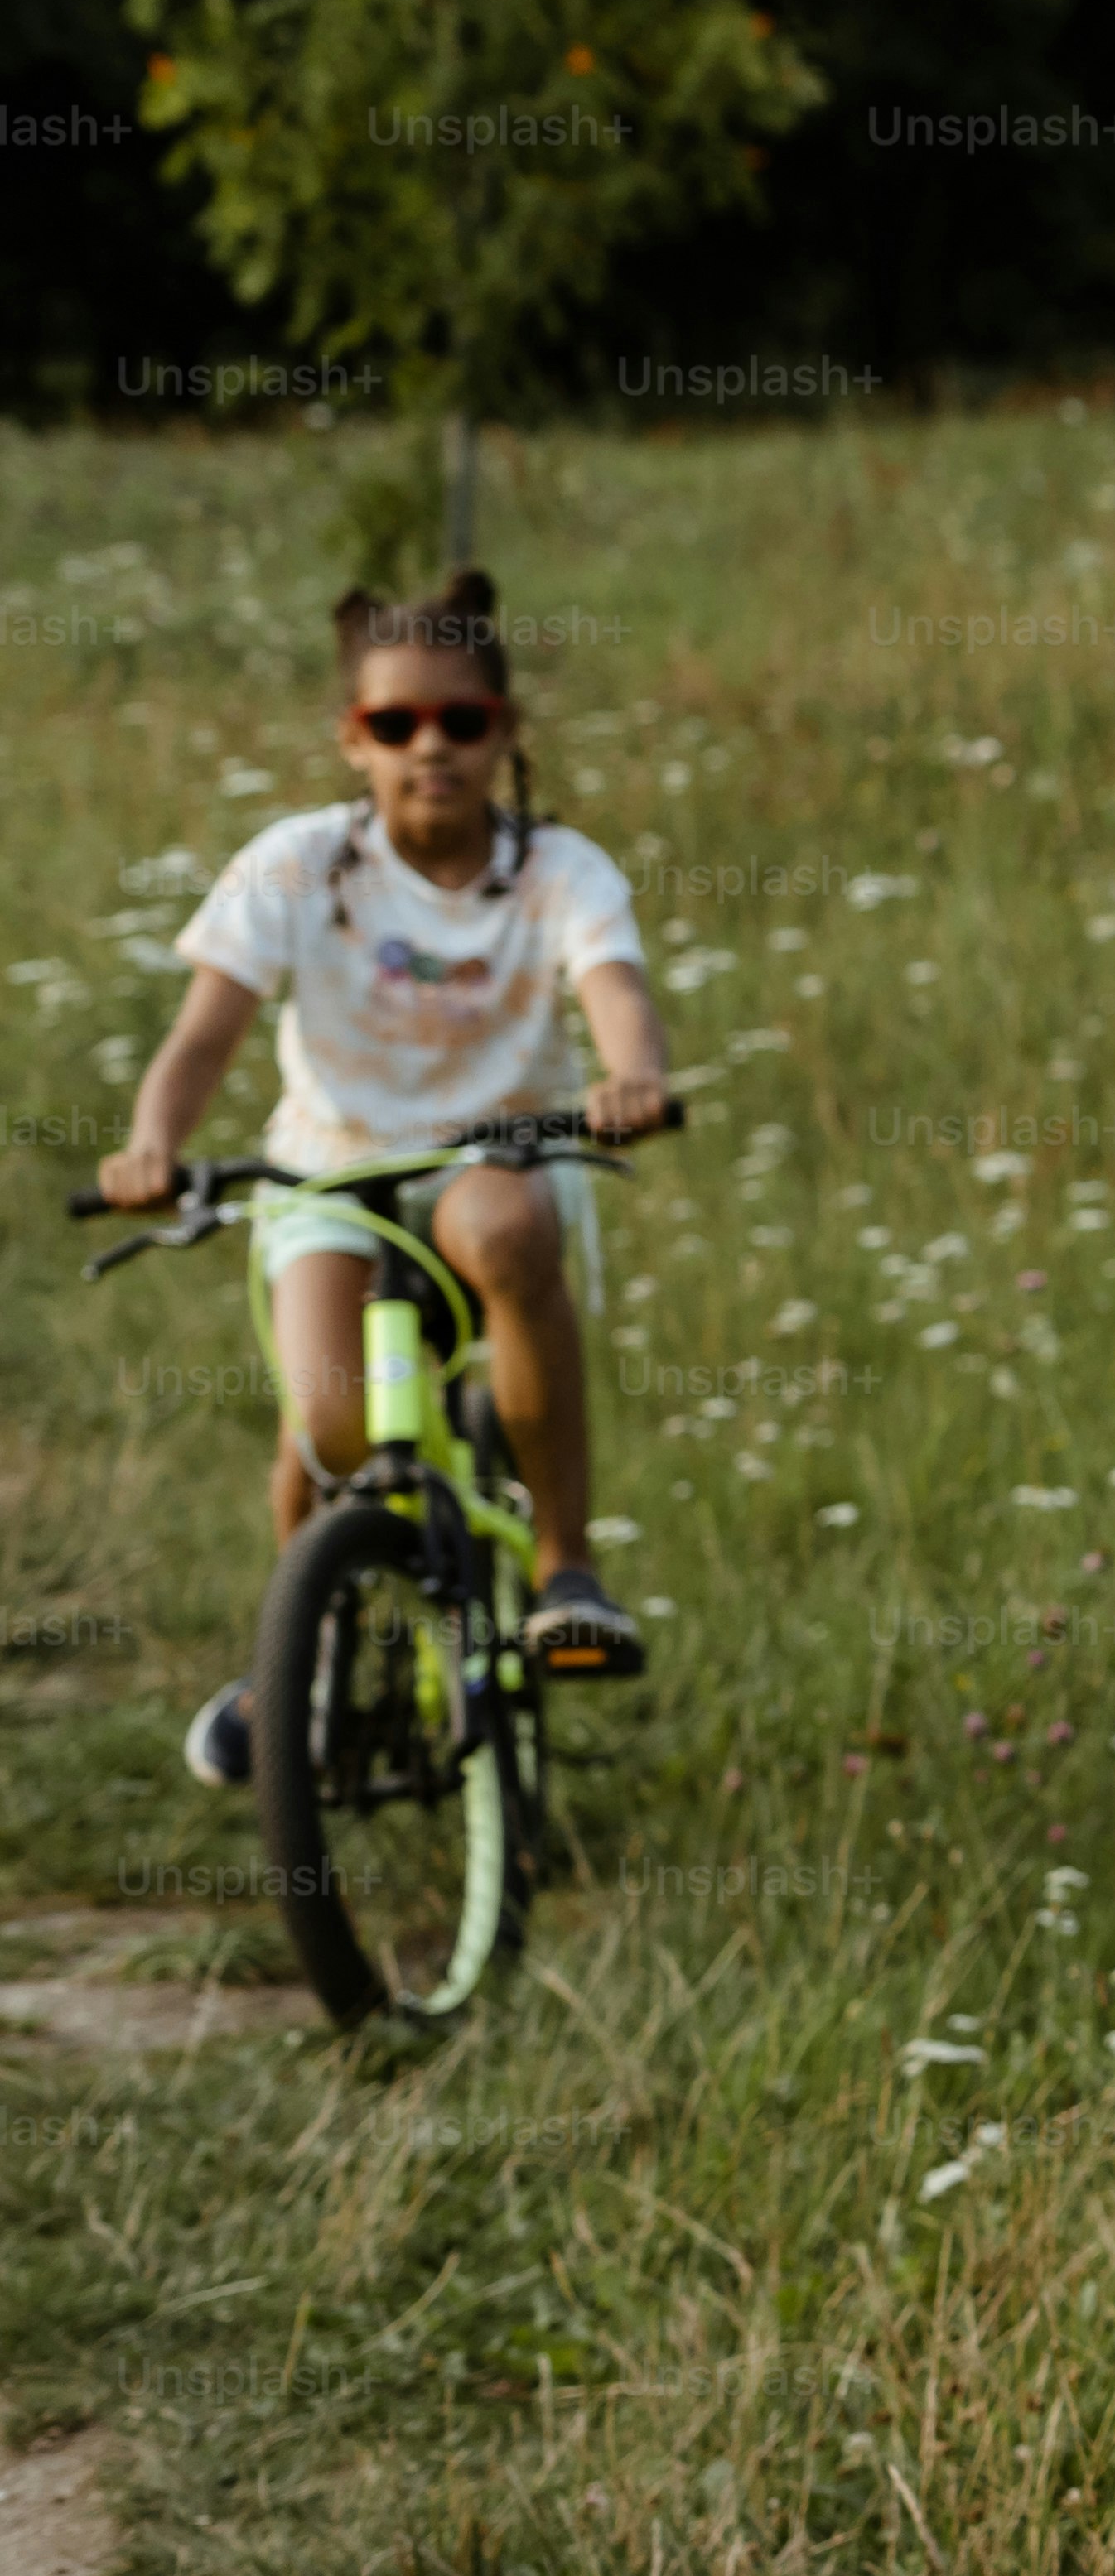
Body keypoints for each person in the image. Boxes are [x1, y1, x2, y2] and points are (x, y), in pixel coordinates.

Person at [97, 567, 674, 1786]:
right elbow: (204, 1035)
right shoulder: (301, 863)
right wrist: (153, 1142)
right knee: (328, 1423)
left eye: (461, 720)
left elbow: (615, 992)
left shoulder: (559, 869)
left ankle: (567, 1568)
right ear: (351, 741)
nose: (431, 747)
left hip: (495, 1157)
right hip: (331, 1172)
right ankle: (290, 1660)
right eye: (394, 723)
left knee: (509, 1229)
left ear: (503, 730)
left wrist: (631, 1079)